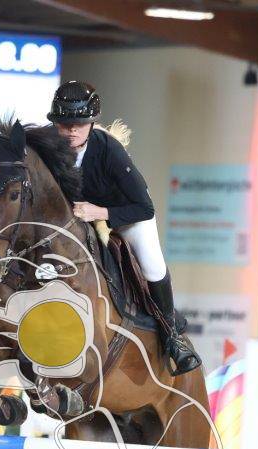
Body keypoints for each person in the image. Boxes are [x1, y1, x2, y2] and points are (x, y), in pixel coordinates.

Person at [48, 80, 201, 376]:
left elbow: (144, 208)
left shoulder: (110, 151)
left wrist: (99, 212)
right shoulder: (49, 147)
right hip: (77, 217)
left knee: (152, 266)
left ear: (91, 123)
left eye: (79, 124)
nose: (72, 131)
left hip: (126, 212)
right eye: (65, 124)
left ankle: (172, 338)